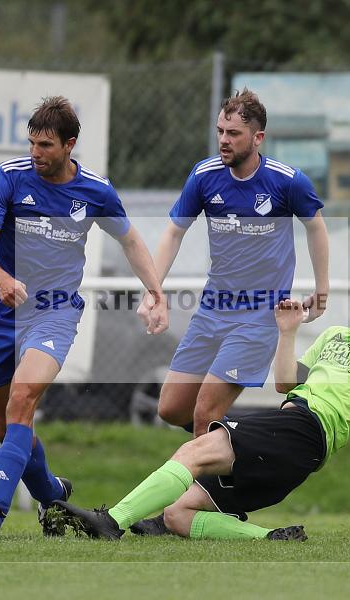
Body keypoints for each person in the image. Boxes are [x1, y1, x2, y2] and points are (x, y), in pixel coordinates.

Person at [49, 273, 350, 541]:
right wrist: (288, 331)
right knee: (176, 516)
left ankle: (111, 522)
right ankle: (270, 539)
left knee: (193, 451)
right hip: (293, 433)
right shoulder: (336, 336)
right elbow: (285, 383)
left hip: (307, 431)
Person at [0, 96, 168, 540]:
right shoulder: (9, 179)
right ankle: (54, 494)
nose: (36, 152)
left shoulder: (95, 190)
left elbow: (131, 241)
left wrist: (155, 291)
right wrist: (2, 278)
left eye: (46, 145)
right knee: (6, 428)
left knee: (23, 400)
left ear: (69, 145)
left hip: (55, 312)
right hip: (5, 314)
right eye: (32, 143)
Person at [138, 88, 329, 438]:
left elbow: (316, 228)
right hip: (213, 308)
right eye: (220, 131)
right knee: (171, 408)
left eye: (234, 134)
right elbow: (173, 234)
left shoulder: (288, 182)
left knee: (204, 412)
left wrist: (322, 287)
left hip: (259, 316)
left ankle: (205, 488)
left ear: (258, 138)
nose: (223, 140)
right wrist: (153, 290)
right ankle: (238, 447)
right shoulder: (204, 175)